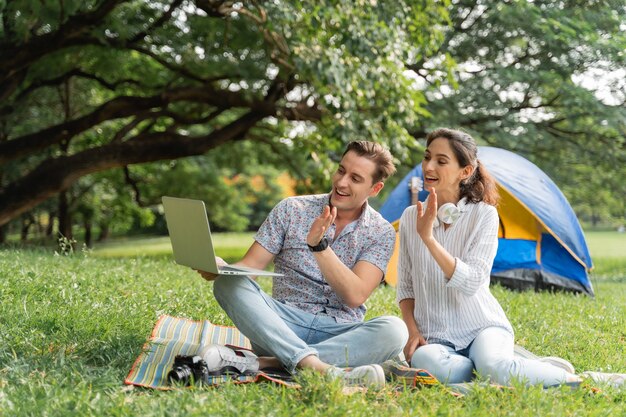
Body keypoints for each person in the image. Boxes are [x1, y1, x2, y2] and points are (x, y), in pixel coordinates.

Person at [196, 141, 408, 388]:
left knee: (395, 330)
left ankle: (269, 363)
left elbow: (355, 295)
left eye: (355, 178)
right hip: (281, 326)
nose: (341, 182)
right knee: (228, 284)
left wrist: (319, 247)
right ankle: (325, 370)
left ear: (375, 188)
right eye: (341, 171)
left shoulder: (380, 232)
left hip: (341, 333)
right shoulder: (291, 209)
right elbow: (250, 267)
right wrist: (222, 268)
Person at [396, 128, 582, 387]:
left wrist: (428, 238)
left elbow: (472, 282)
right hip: (434, 337)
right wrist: (412, 330)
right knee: (428, 364)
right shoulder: (408, 217)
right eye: (427, 157)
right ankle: (502, 366)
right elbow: (405, 285)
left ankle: (572, 378)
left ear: (466, 171)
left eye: (441, 160)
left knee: (493, 368)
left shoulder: (484, 215)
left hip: (481, 326)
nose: (428, 166)